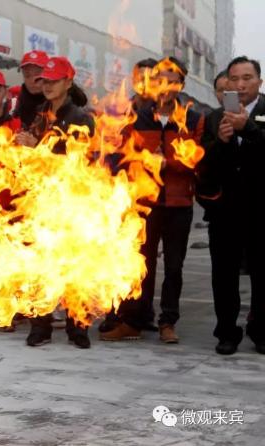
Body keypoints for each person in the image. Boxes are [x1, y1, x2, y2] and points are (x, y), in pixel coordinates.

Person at [100, 57, 204, 345]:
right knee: (141, 263)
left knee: (174, 266)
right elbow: (123, 154)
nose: (165, 86)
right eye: (160, 79)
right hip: (145, 203)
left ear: (181, 84)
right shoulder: (138, 116)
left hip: (179, 204)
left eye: (173, 79)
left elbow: (194, 161)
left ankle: (168, 322)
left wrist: (162, 162)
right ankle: (133, 320)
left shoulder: (193, 119)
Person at [15, 57, 94, 349]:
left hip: (72, 201)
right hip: (40, 201)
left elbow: (78, 162)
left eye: (53, 81)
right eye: (44, 81)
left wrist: (37, 150)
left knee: (73, 265)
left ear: (68, 83)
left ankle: (78, 326)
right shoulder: (40, 114)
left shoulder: (81, 118)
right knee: (41, 266)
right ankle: (41, 325)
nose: (47, 86)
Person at [196, 56, 265, 355]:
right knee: (223, 275)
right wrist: (221, 142)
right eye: (234, 79)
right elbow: (203, 165)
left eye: (247, 78)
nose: (240, 84)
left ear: (259, 82)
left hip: (262, 210)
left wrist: (249, 129)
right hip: (225, 211)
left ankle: (261, 331)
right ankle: (226, 332)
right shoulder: (214, 118)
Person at [12, 50, 49, 130]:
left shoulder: (60, 105)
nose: (32, 81)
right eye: (27, 75)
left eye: (37, 74)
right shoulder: (16, 104)